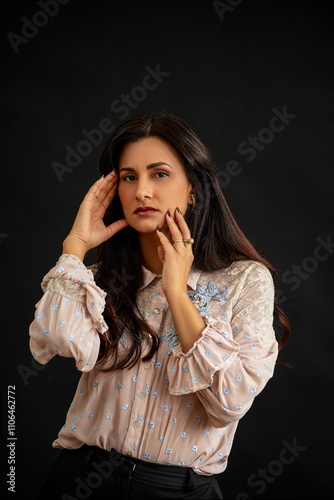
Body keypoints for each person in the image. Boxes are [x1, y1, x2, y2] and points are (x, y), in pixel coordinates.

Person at [29, 111, 290, 500]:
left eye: (160, 174)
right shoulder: (98, 279)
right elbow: (54, 339)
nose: (142, 191)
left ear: (193, 189)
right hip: (81, 478)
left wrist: (177, 293)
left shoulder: (245, 280)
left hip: (178, 490)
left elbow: (229, 403)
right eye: (129, 177)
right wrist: (76, 247)